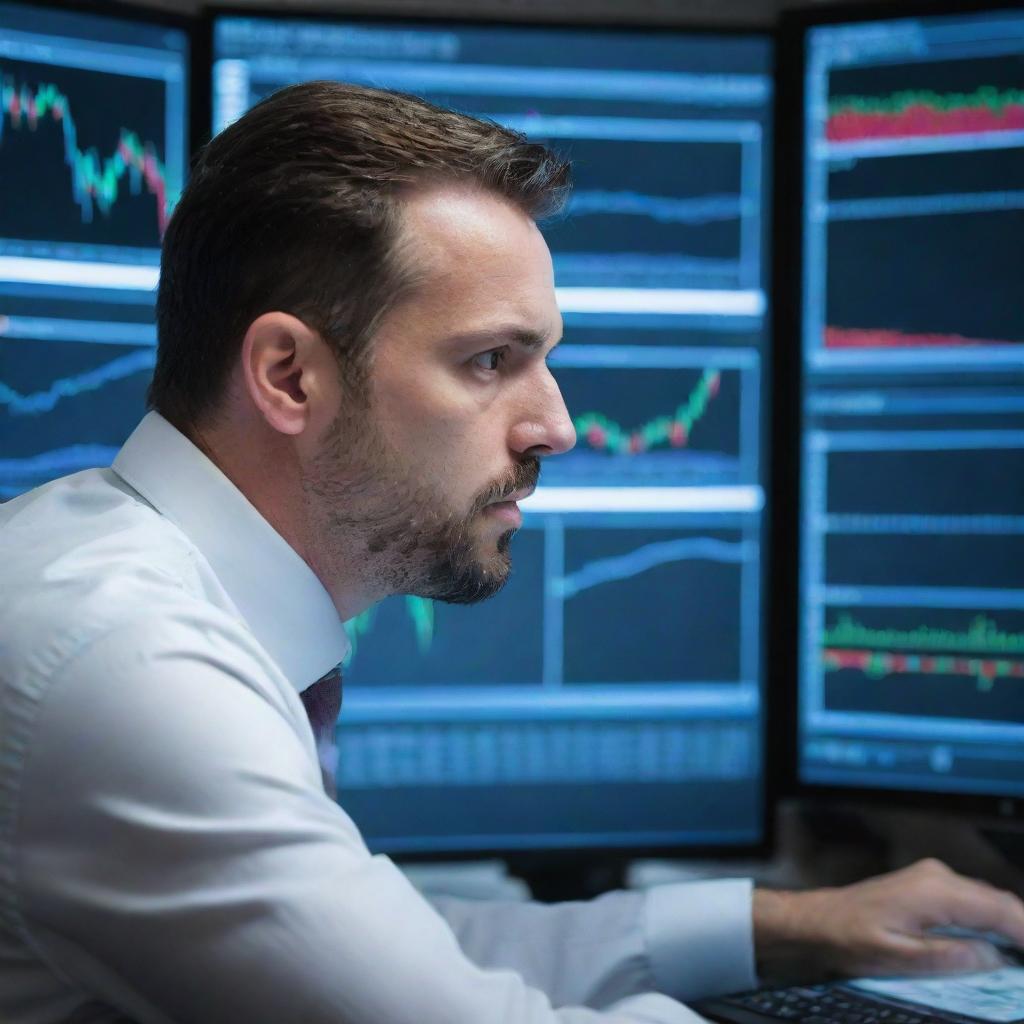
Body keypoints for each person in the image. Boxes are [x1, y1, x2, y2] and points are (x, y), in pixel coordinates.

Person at [0, 81, 1021, 1024]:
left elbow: (394, 954)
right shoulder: (127, 662)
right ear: (289, 375)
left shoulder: (132, 579)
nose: (556, 426)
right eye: (491, 360)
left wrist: (785, 926)